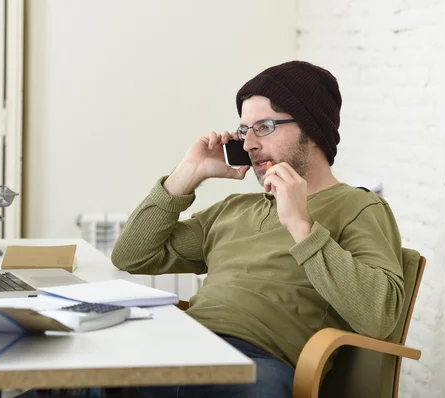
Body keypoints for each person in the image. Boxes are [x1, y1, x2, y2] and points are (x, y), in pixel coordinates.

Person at [109, 61, 405, 398]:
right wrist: (187, 173)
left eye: (263, 127)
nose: (248, 144)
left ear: (311, 129)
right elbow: (131, 255)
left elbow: (379, 317)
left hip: (258, 363)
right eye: (243, 130)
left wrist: (300, 224)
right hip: (183, 341)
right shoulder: (235, 209)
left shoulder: (358, 208)